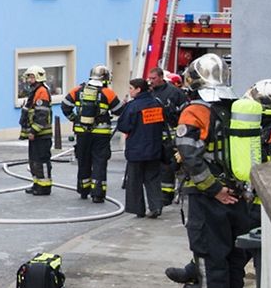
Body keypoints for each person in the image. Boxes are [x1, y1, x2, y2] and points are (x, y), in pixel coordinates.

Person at [173, 54, 259, 288]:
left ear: (194, 79)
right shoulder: (237, 107)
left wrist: (214, 189)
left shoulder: (196, 110)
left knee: (210, 254)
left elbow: (189, 154)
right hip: (240, 194)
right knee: (234, 255)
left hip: (209, 196)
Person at [61, 65, 123, 203]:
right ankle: (97, 194)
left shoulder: (77, 90)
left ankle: (84, 190)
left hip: (82, 133)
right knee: (99, 162)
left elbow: (65, 105)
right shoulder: (108, 93)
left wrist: (74, 119)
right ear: (105, 78)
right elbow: (119, 111)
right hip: (101, 134)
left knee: (83, 161)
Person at [115, 78, 169, 218]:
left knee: (135, 180)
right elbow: (164, 122)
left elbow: (124, 126)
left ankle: (138, 209)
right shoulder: (157, 103)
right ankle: (156, 206)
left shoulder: (133, 106)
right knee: (153, 179)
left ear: (138, 89)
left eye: (131, 88)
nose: (129, 91)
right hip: (155, 148)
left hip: (136, 149)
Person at [147, 66, 186, 206]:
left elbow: (185, 113)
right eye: (149, 78)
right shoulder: (149, 92)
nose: (151, 81)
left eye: (153, 78)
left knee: (168, 167)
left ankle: (166, 196)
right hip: (152, 136)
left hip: (170, 136)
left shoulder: (175, 92)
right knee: (153, 167)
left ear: (161, 77)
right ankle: (157, 195)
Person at [18, 66, 53, 196]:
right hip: (37, 135)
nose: (29, 80)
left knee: (42, 161)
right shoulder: (35, 91)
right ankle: (37, 184)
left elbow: (42, 115)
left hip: (41, 135)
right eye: (28, 77)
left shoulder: (42, 92)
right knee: (34, 161)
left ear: (38, 77)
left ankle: (45, 187)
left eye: (31, 77)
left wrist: (33, 131)